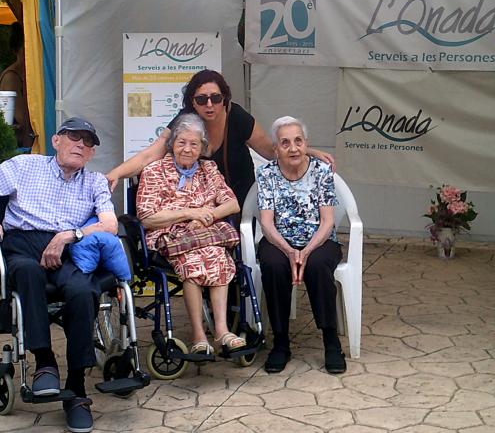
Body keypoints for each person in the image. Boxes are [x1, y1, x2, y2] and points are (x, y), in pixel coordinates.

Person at [0, 116, 115, 433]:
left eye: (87, 142)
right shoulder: (25, 166)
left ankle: (77, 390)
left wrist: (68, 236)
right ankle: (44, 362)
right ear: (56, 141)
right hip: (22, 246)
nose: (80, 145)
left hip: (68, 249)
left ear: (91, 153)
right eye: (74, 137)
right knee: (28, 272)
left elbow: (109, 225)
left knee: (83, 290)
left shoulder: (95, 182)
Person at [107, 69, 334, 208]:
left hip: (238, 198)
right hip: (199, 204)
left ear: (224, 98)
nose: (209, 104)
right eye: (201, 99)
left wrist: (308, 152)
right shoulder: (185, 122)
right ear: (192, 102)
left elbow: (270, 150)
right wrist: (115, 174)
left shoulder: (238, 117)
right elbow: (149, 155)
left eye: (215, 98)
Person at [136, 113, 246, 355]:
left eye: (194, 144)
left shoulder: (208, 169)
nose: (187, 149)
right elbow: (147, 218)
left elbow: (233, 204)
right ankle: (198, 335)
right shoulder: (154, 171)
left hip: (205, 233)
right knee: (193, 262)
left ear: (202, 147)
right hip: (170, 236)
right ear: (172, 143)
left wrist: (208, 216)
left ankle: (222, 331)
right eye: (182, 142)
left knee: (217, 256)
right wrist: (189, 213)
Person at [256, 115, 345, 375]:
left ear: (306, 143)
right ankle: (280, 343)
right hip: (279, 239)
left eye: (298, 141)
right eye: (285, 143)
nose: (293, 148)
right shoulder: (266, 174)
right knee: (273, 265)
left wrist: (305, 252)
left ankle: (331, 342)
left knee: (317, 265)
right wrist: (288, 250)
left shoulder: (321, 171)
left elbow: (327, 221)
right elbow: (266, 223)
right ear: (276, 149)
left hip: (319, 240)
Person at [0, 22, 34, 149]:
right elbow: (20, 117)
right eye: (25, 49)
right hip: (16, 143)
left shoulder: (31, 73)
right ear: (16, 51)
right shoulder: (11, 77)